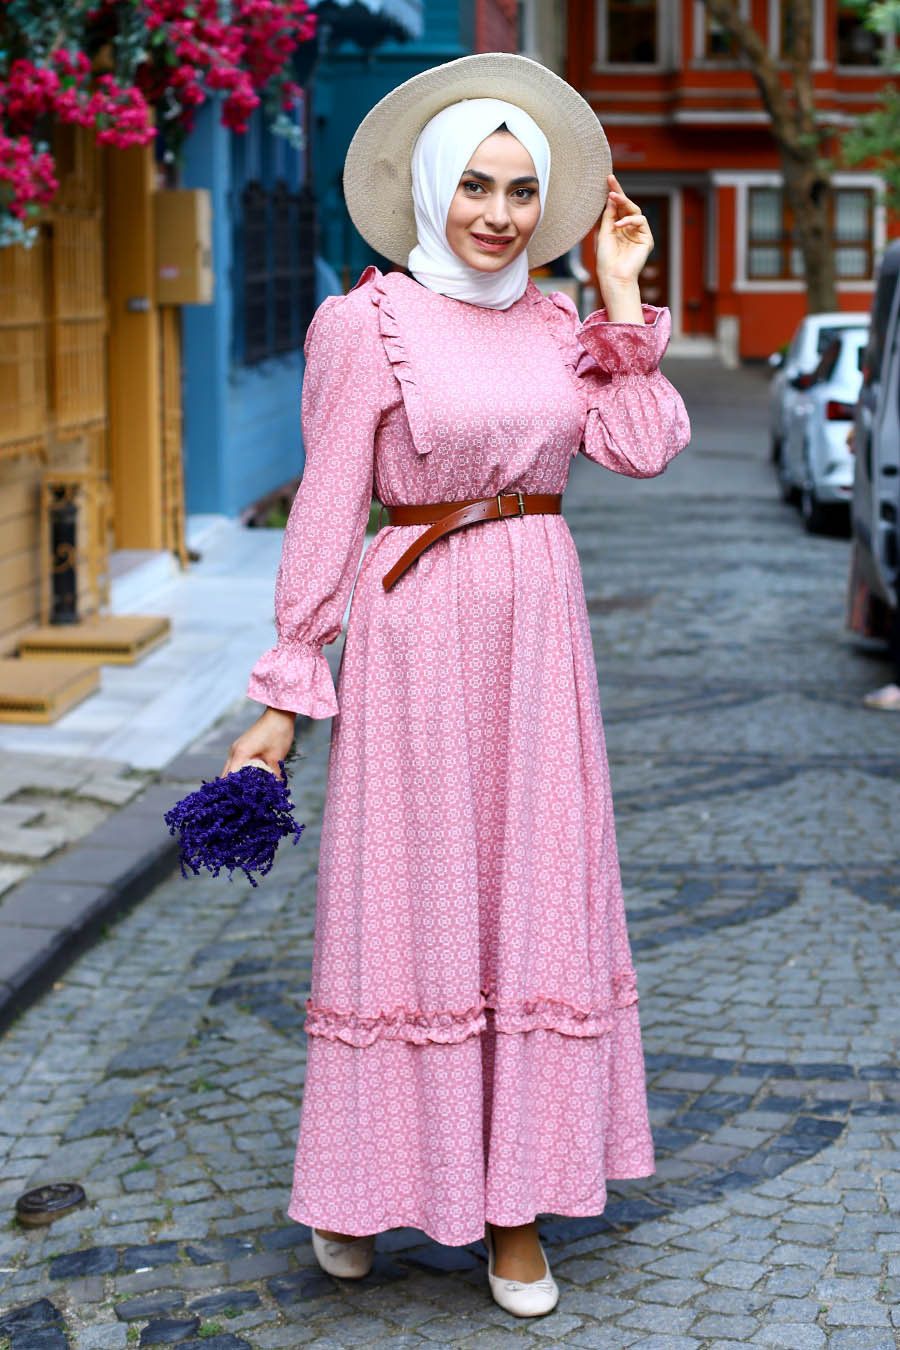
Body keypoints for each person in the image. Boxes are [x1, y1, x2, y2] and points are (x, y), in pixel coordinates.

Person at [223, 52, 691, 1318]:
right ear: (432, 189)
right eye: (476, 184)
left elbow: (642, 448)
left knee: (535, 896)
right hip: (414, 634)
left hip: (540, 636)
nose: (498, 211)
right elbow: (326, 508)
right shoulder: (360, 323)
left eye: (523, 190)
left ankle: (513, 1210)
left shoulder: (558, 326)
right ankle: (358, 1182)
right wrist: (286, 689)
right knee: (410, 907)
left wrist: (621, 291)